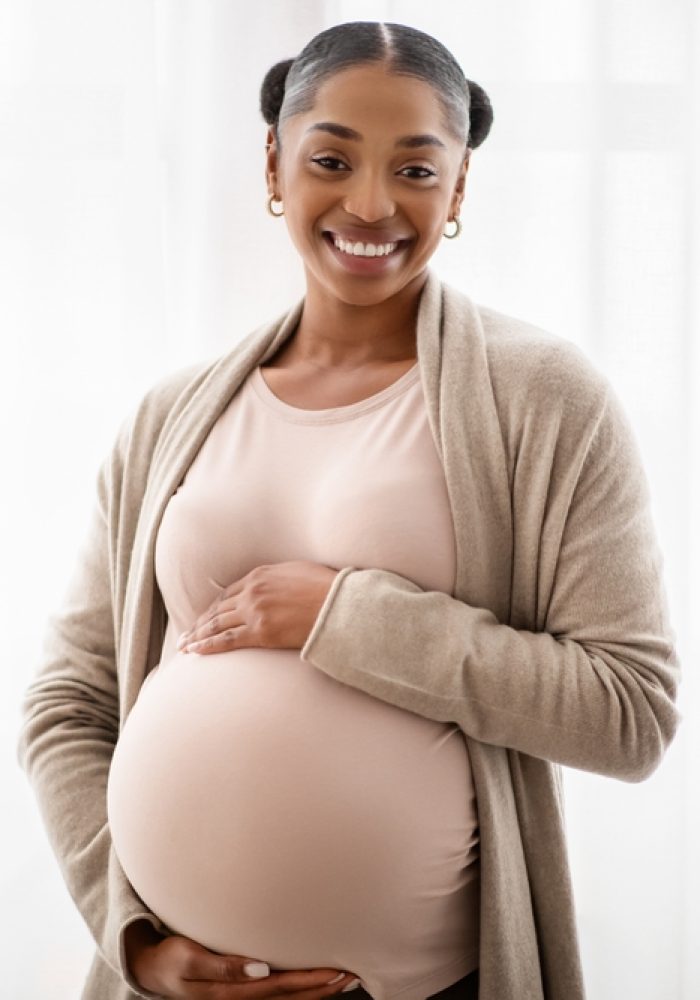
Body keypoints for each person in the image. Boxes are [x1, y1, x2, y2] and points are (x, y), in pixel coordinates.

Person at [17, 19, 680, 1000]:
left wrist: (349, 617)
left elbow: (628, 711)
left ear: (458, 189)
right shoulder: (169, 416)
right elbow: (64, 705)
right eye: (331, 158)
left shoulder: (541, 399)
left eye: (415, 170)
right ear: (276, 166)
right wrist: (135, 937)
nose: (371, 203)